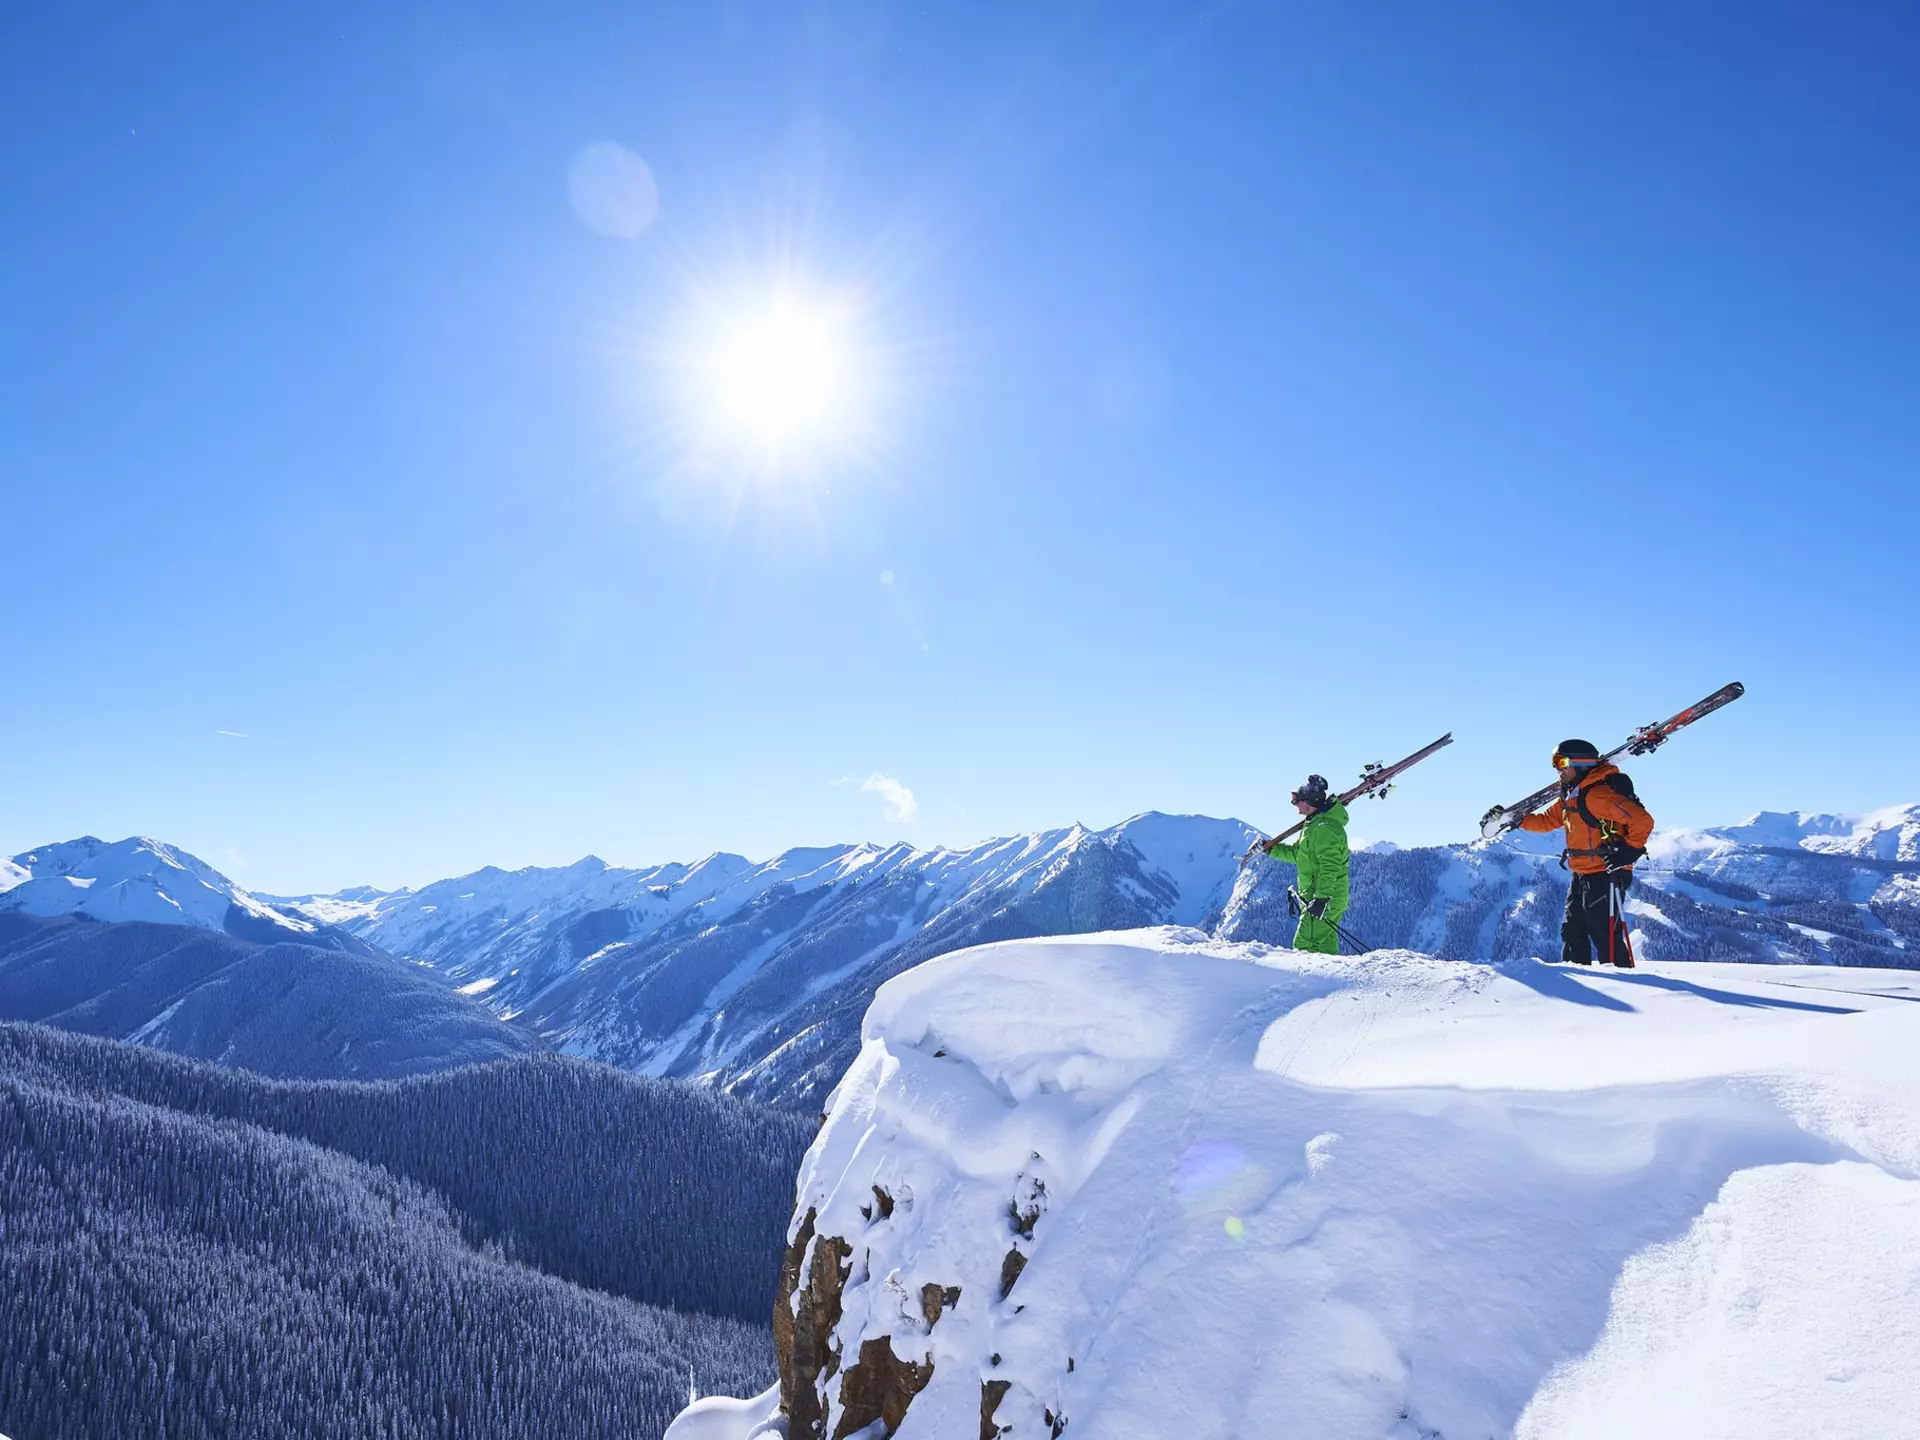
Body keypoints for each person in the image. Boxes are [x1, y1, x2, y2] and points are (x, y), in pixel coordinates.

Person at [1517, 739, 1655, 967]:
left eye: (1562, 762)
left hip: (1605, 873)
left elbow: (1642, 820)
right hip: (1581, 873)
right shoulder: (1571, 795)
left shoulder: (1596, 796)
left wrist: (1628, 853)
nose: (1557, 769)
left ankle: (1624, 986)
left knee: (1605, 936)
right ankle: (1578, 987)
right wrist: (1519, 821)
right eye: (1555, 763)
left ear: (1580, 764)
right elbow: (1547, 821)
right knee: (1572, 932)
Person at [1263, 775, 1350, 954]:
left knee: (1304, 945)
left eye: (1298, 801)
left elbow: (1330, 865)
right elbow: (1297, 855)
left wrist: (1322, 898)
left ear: (1309, 801)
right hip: (1316, 897)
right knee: (1323, 945)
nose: (1295, 805)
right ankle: (1329, 981)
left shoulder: (1325, 828)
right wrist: (1270, 849)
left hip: (1325, 899)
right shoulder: (1313, 825)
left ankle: (1304, 981)